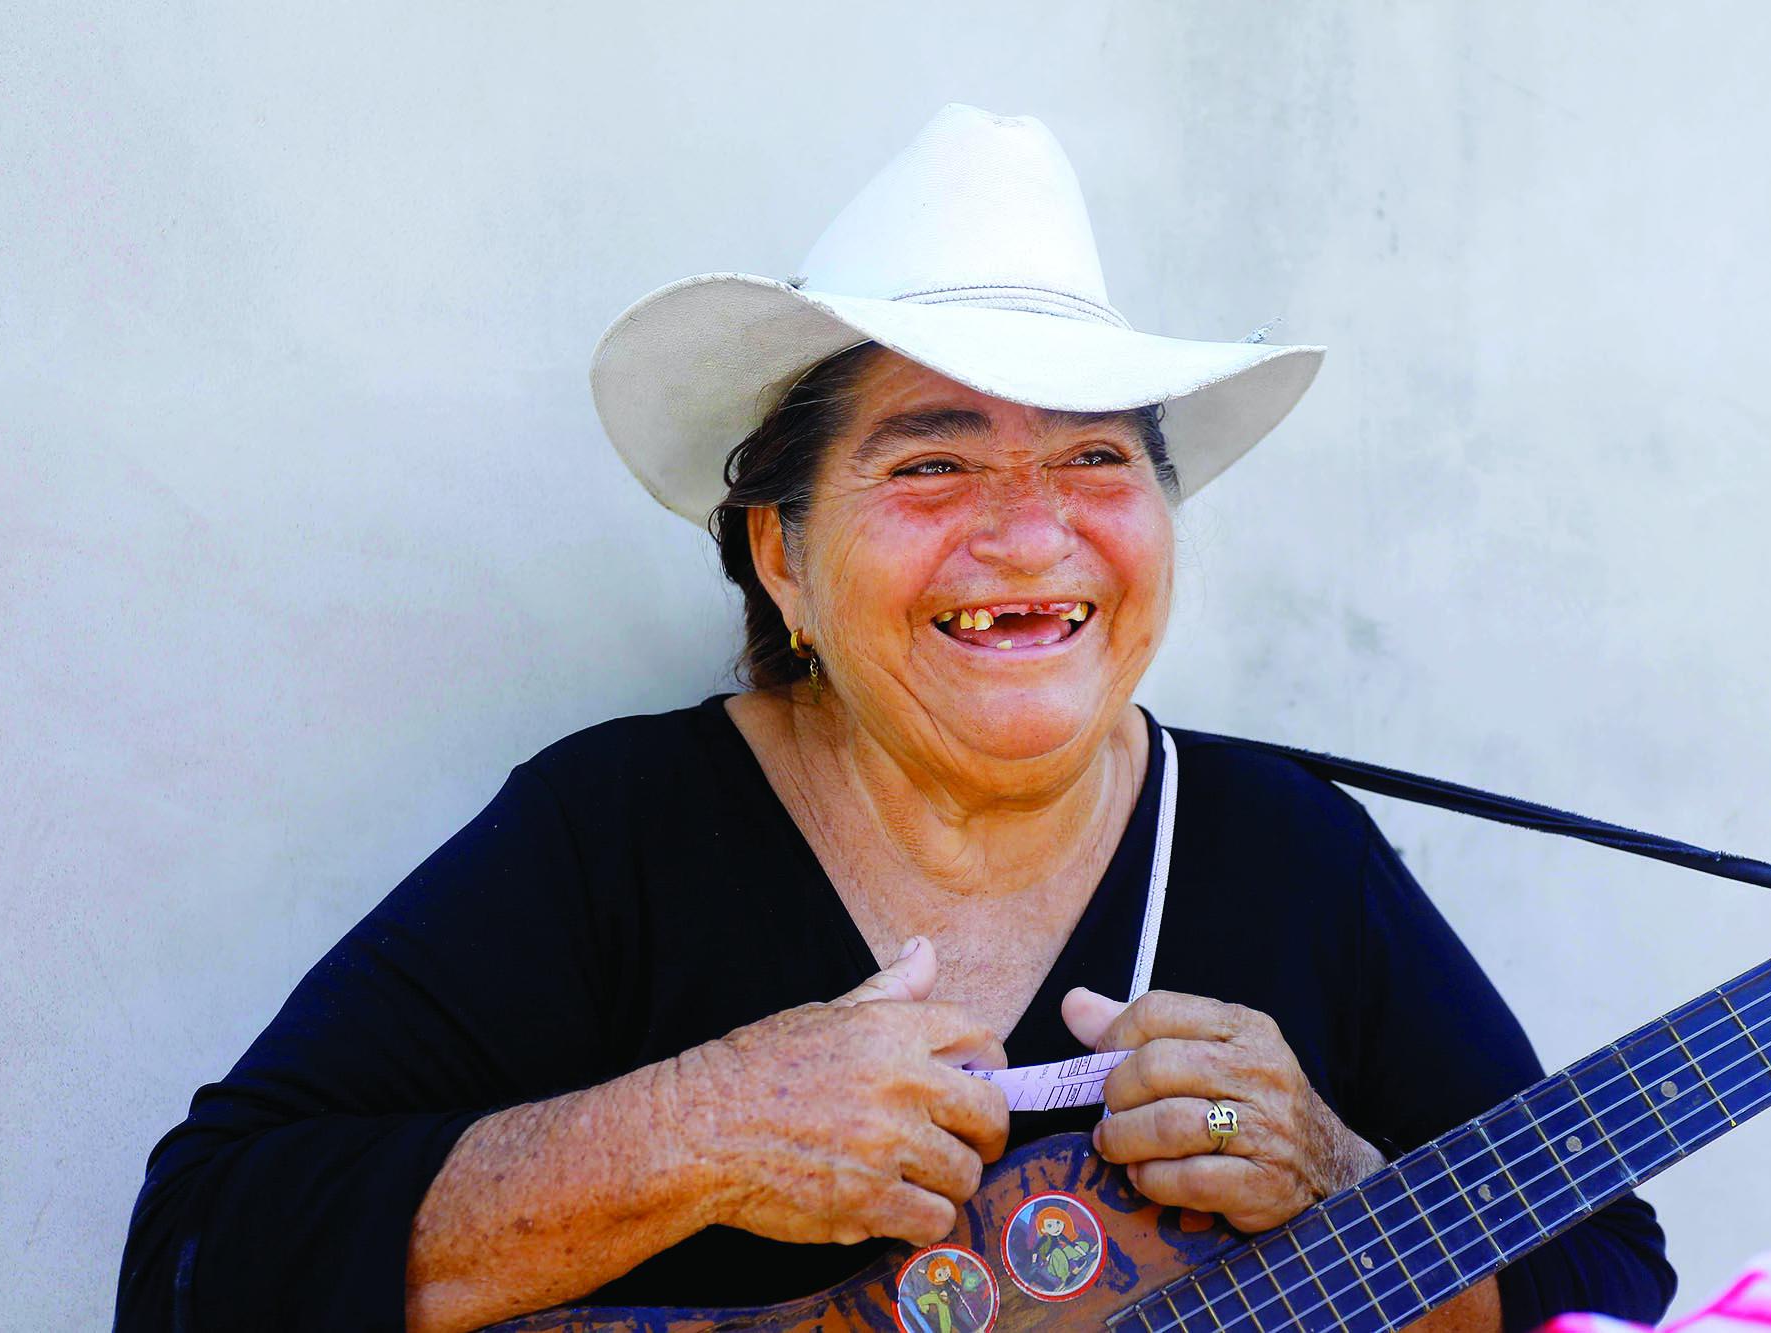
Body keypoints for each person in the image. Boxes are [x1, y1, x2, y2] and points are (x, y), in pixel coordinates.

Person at [115, 104, 1679, 1333]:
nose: (1028, 535)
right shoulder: (622, 831)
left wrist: (1341, 1184)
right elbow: (200, 1255)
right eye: (932, 462)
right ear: (783, 558)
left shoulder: (1287, 851)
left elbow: (1610, 1286)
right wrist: (702, 1127)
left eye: (1095, 462)